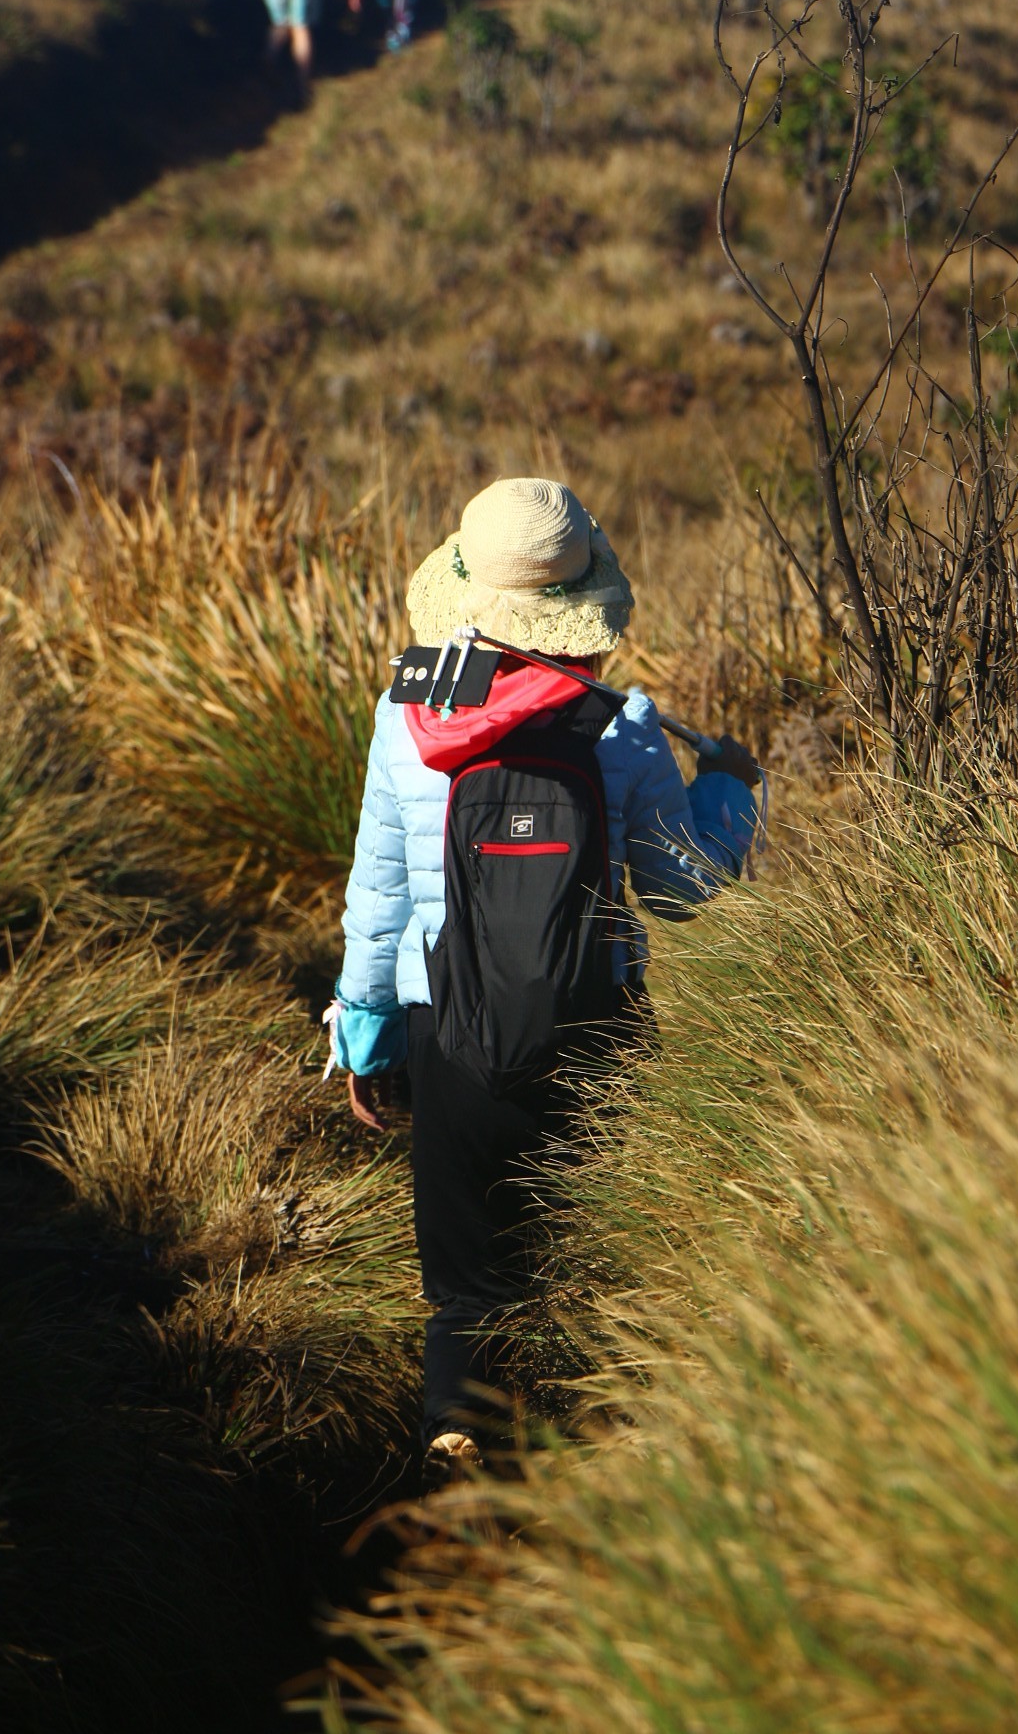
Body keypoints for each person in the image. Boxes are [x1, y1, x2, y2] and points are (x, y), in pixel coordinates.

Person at [329, 478, 761, 1481]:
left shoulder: (408, 718)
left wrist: (367, 1036)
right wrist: (734, 788)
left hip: (452, 1032)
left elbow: (381, 894)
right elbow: (686, 888)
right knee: (599, 1252)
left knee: (465, 1278)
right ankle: (602, 1455)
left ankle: (455, 1428)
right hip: (596, 1025)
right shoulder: (625, 725)